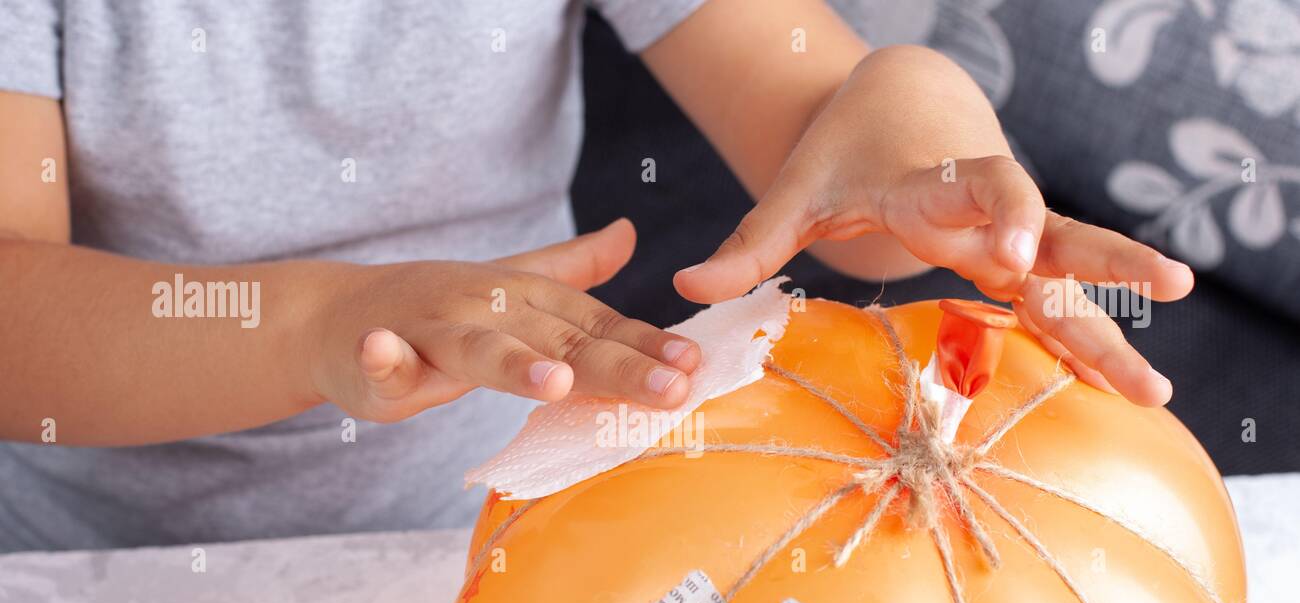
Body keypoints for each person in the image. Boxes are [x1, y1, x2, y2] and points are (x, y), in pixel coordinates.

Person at [0, 0, 1192, 553]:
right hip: (100, 570)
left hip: (499, 540)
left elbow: (834, 162)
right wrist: (329, 321)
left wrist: (907, 120)